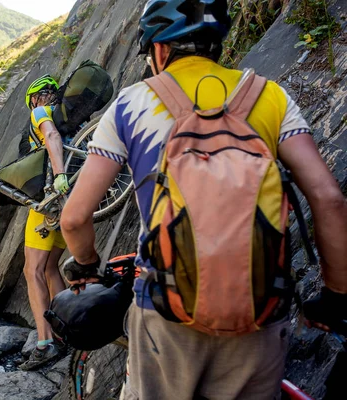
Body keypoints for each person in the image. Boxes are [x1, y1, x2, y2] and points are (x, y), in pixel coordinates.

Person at [60, 0, 347, 398]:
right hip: (259, 310)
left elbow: (74, 219)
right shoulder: (272, 97)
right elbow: (329, 198)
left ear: (159, 49)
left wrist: (89, 266)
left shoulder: (129, 104)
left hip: (166, 311)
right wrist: (334, 296)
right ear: (217, 43)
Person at [19, 74, 69, 371]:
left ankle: (45, 343)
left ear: (35, 98)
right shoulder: (67, 119)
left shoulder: (41, 112)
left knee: (32, 269)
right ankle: (67, 330)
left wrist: (59, 173)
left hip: (50, 200)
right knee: (50, 267)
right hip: (72, 201)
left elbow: (50, 136)